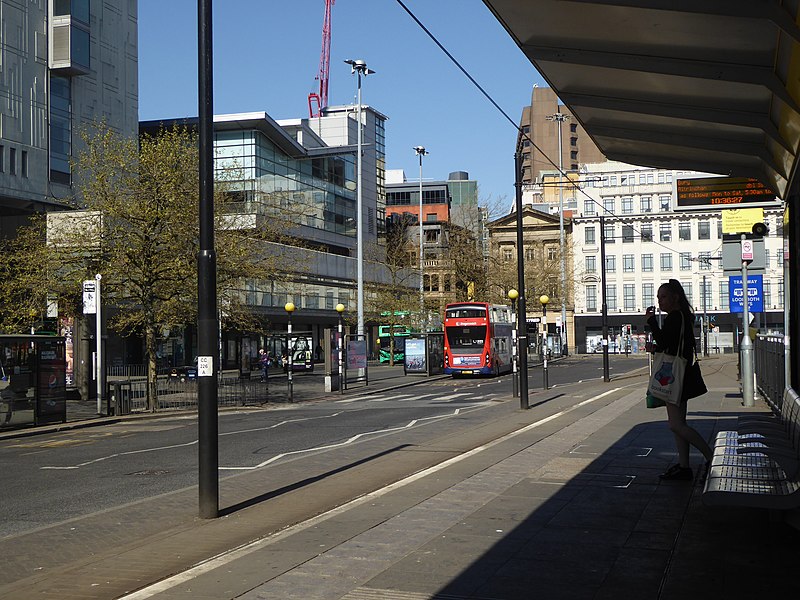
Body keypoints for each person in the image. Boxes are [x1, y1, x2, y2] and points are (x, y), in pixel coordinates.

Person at [645, 279, 713, 481]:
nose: (660, 302)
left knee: (676, 425)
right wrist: (657, 348)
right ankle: (684, 466)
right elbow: (674, 346)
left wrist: (650, 322)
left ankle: (710, 456)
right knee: (679, 423)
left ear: (675, 298)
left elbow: (666, 342)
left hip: (675, 376)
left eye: (663, 297)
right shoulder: (684, 317)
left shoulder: (674, 318)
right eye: (658, 298)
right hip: (681, 373)